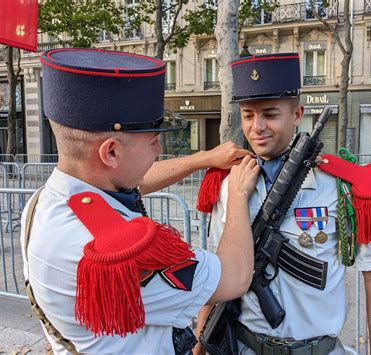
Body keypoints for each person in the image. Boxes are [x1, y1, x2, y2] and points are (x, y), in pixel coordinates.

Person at [20, 48, 260, 354]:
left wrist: (203, 159)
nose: (159, 149)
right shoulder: (122, 250)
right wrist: (238, 195)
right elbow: (233, 277)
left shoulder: (46, 202)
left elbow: (132, 183)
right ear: (111, 152)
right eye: (153, 141)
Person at [195, 53, 371, 354]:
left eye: (270, 114)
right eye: (248, 115)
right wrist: (200, 342)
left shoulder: (341, 186)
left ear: (297, 114)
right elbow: (217, 271)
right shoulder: (228, 184)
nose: (257, 127)